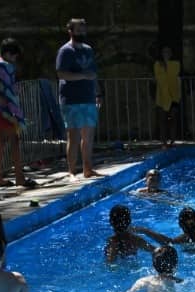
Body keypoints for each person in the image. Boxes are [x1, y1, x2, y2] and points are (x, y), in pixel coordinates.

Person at [56, 18, 101, 179]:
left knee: (88, 136)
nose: (82, 33)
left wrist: (98, 92)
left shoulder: (88, 50)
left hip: (88, 97)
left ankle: (87, 169)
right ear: (71, 31)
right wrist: (82, 75)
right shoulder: (65, 51)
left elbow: (93, 74)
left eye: (83, 30)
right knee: (73, 136)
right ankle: (71, 171)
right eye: (79, 30)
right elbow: (61, 74)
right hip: (71, 99)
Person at [0, 38, 34, 189]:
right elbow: (9, 91)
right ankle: (19, 177)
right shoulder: (5, 67)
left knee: (0, 141)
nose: (14, 60)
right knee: (14, 141)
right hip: (5, 110)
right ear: (7, 53)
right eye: (14, 56)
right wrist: (15, 113)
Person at [104, 204, 170, 264]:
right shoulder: (135, 239)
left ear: (111, 222)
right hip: (134, 266)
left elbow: (109, 263)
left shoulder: (112, 242)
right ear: (129, 221)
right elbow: (155, 250)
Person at [153, 45, 182, 147]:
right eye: (164, 51)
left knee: (173, 119)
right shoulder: (157, 64)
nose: (166, 53)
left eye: (168, 51)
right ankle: (164, 141)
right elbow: (159, 78)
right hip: (162, 95)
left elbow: (173, 76)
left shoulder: (175, 64)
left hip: (173, 95)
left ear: (171, 53)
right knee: (162, 120)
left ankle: (173, 140)